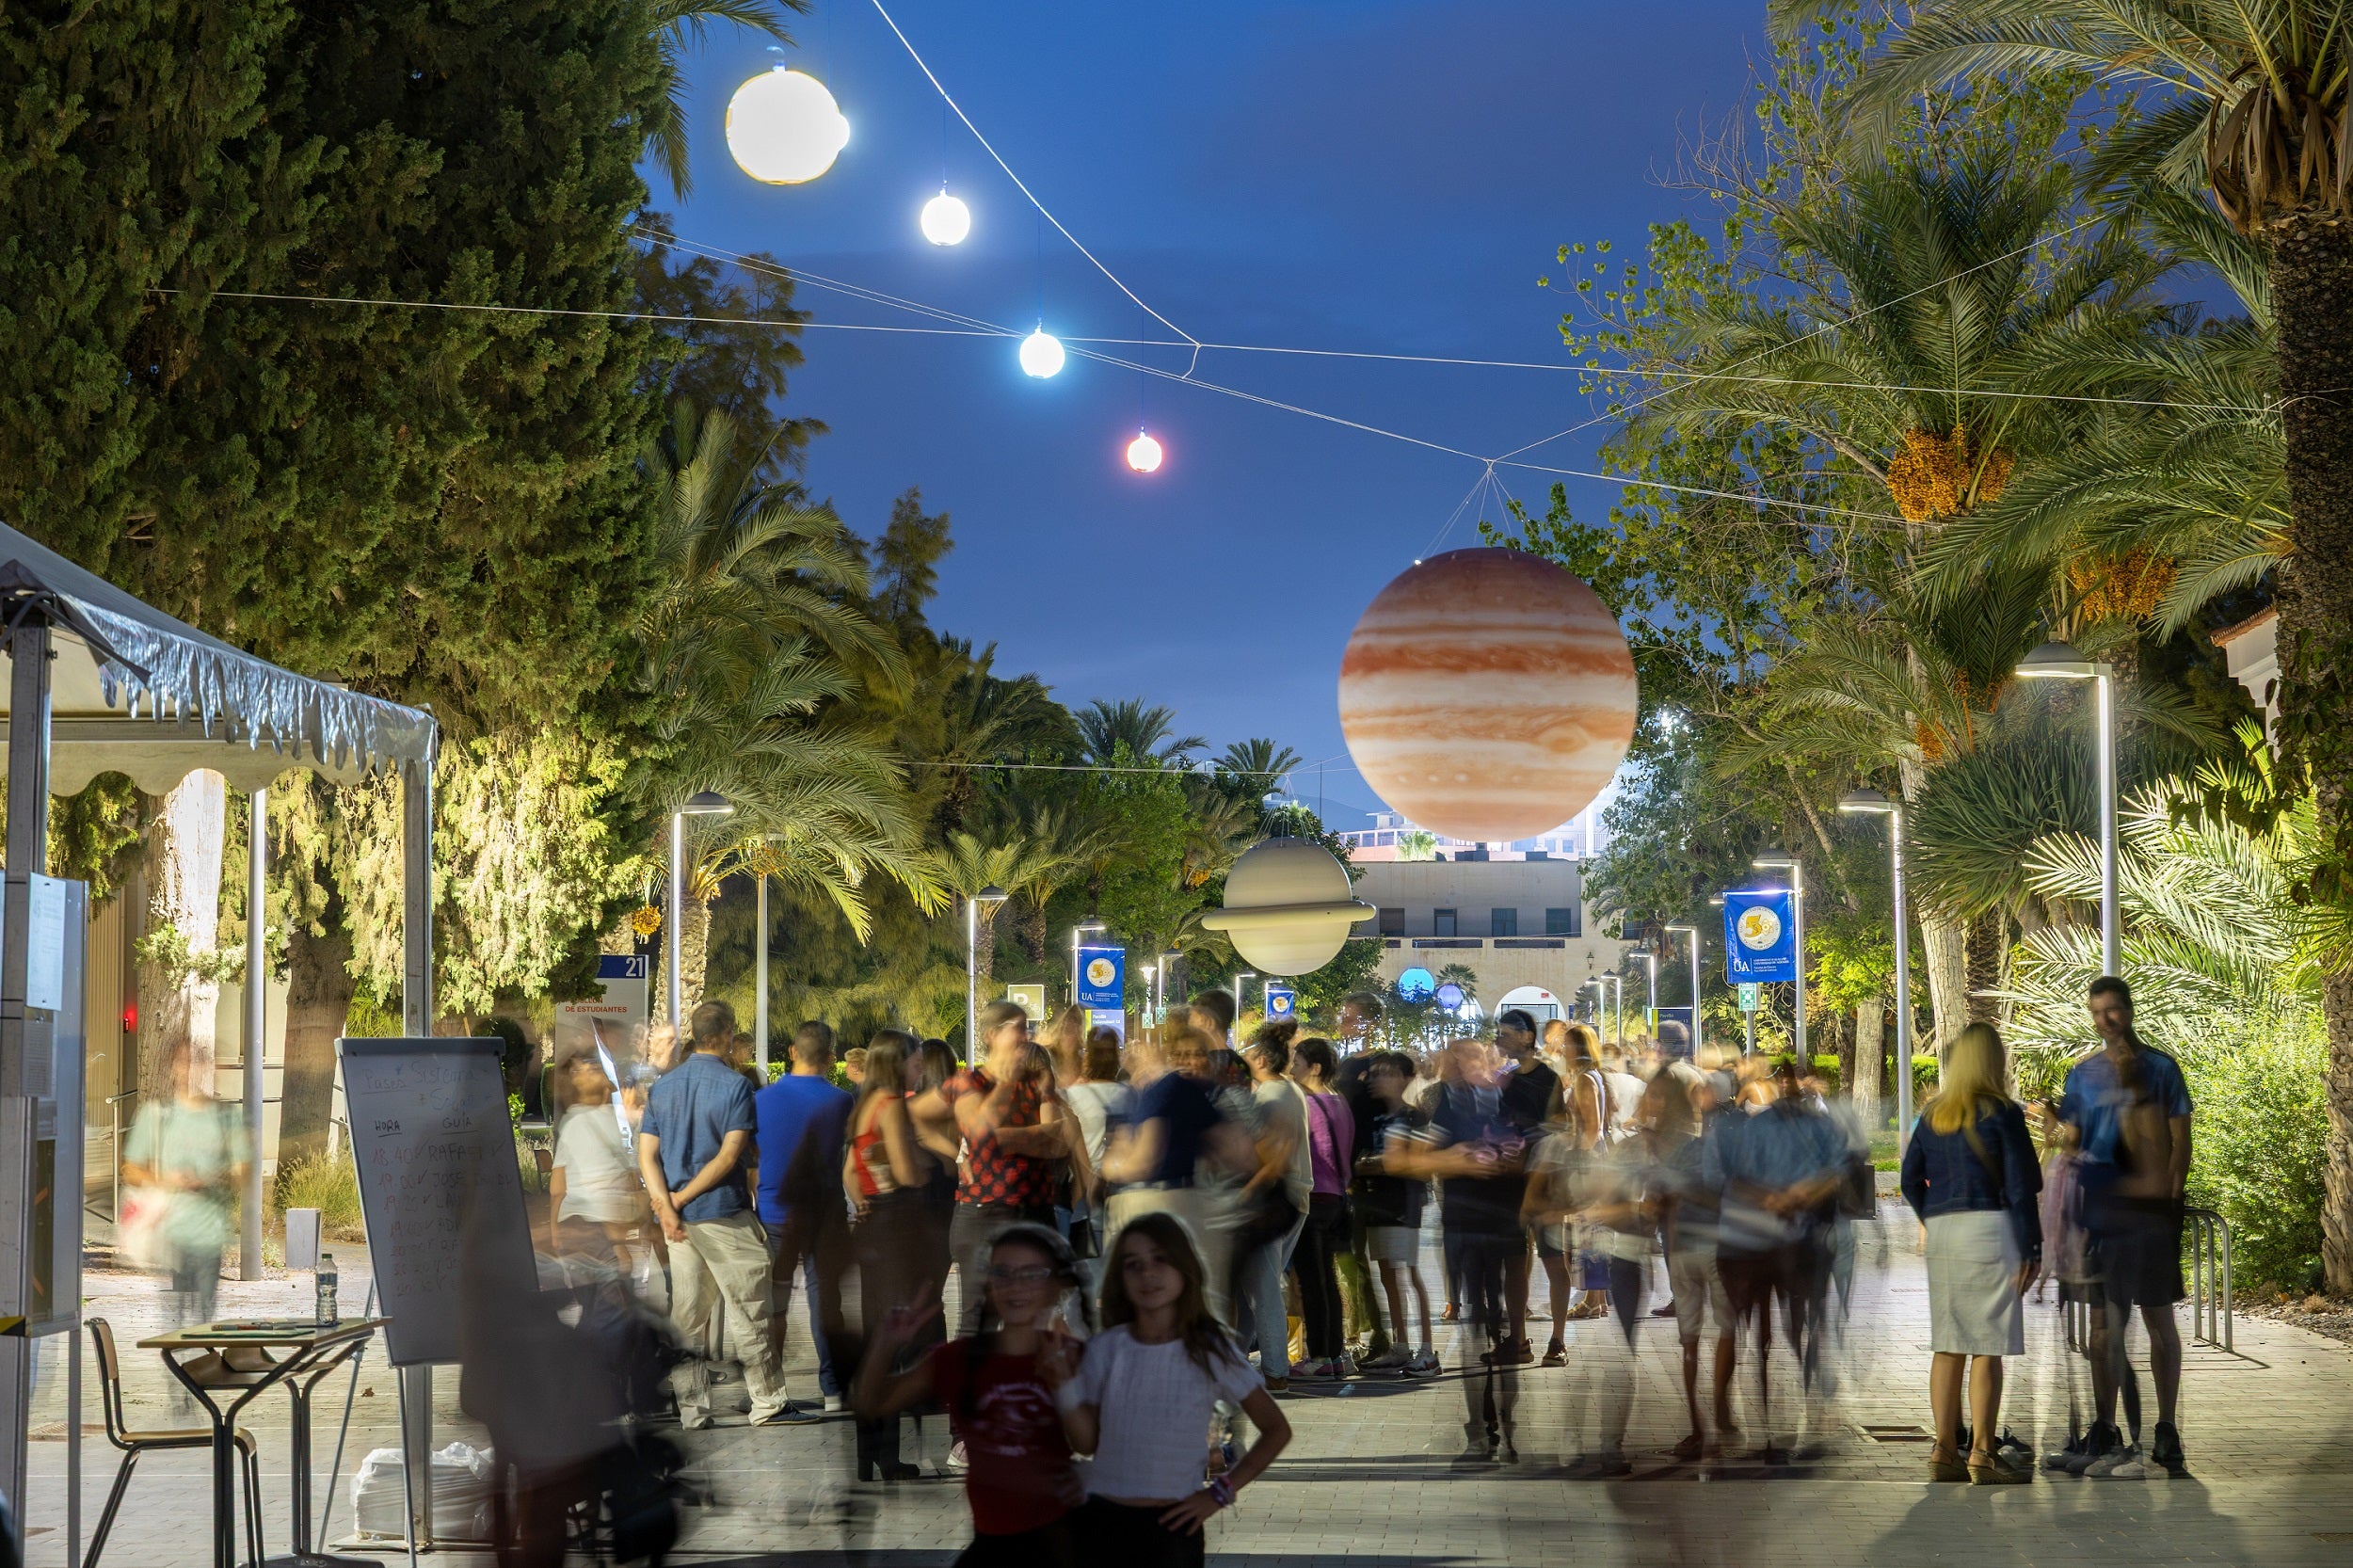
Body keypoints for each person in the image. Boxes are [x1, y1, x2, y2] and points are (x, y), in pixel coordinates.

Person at [1042, 1212, 1292, 1568]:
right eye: (1133, 1264)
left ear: (1184, 1267)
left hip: (1175, 1526)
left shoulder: (1209, 1349)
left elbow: (1276, 1429)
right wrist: (1065, 1387)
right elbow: (1087, 1443)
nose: (1148, 1273)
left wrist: (1219, 1494)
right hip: (1103, 1522)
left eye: (1161, 1259)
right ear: (1119, 1277)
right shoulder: (1106, 1349)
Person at [856, 1224, 1090, 1565]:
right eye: (1003, 1273)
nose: (1016, 1286)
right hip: (992, 1543)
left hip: (1059, 1542)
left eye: (1031, 1274)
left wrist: (1065, 1385)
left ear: (1055, 1287)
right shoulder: (960, 1359)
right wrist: (885, 1343)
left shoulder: (1070, 1357)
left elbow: (1089, 1442)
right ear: (989, 1285)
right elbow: (871, 1404)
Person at [2054, 974, 2193, 1479]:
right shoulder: (2083, 1074)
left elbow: (2182, 1143)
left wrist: (2171, 1203)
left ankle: (2167, 1429)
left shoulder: (2161, 1069)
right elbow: (2071, 1144)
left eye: (2111, 1010)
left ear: (2128, 1010)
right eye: (2095, 1012)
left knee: (2158, 1322)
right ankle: (2105, 1427)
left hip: (2151, 1216)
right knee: (2100, 1329)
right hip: (2100, 1214)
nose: (2103, 1020)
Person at [635, 1000, 798, 1428]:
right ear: (726, 1034)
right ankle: (767, 1401)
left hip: (678, 1223)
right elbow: (729, 1157)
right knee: (749, 1307)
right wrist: (682, 1199)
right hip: (723, 1214)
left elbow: (647, 1154)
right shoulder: (736, 1087)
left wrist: (666, 1205)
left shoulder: (663, 1087)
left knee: (687, 1316)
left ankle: (692, 1410)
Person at [1900, 1021, 2042, 1485]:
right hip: (1990, 1229)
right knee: (1987, 1345)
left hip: (1943, 1234)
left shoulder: (1934, 1113)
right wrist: (2032, 1247)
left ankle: (1944, 1449)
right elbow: (2022, 1187)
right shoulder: (2003, 1113)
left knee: (1949, 1342)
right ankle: (1981, 1450)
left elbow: (1907, 1179)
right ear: (1994, 1061)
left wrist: (1933, 1215)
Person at [1700, 1054, 1848, 1462]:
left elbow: (1725, 1180)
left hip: (1751, 1244)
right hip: (1789, 1242)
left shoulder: (1751, 1127)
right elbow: (1837, 1174)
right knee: (1797, 1328)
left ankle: (1748, 1417)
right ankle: (1808, 1412)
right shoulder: (1812, 1127)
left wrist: (1773, 1198)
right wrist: (1793, 1198)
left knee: (1748, 1333)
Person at [1393, 1038, 1527, 1463]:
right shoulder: (1446, 1103)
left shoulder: (1512, 1100)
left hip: (1503, 1224)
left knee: (1497, 1321)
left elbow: (1538, 1155)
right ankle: (1481, 1425)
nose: (1466, 1066)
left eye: (1473, 1057)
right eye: (1457, 1060)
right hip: (1464, 1224)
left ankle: (1504, 1418)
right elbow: (1417, 1161)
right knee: (1475, 1322)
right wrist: (1458, 1161)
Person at [923, 1001, 1073, 1336]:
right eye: (1017, 1027)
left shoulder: (1036, 1081)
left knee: (1039, 1314)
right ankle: (971, 1388)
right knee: (978, 1318)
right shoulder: (971, 1082)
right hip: (984, 1213)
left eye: (1026, 1027)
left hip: (1034, 1210)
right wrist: (957, 1155)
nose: (1026, 1034)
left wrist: (1006, 1139)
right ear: (992, 1035)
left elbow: (1059, 1141)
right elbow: (923, 1119)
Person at [843, 1031, 941, 1480]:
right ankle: (888, 1455)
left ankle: (869, 1455)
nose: (920, 1068)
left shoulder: (865, 1105)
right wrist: (928, 1166)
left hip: (874, 1225)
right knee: (900, 1336)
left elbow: (851, 1171)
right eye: (917, 1062)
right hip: (902, 1226)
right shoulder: (892, 1105)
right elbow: (905, 1171)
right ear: (898, 1062)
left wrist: (864, 1198)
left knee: (878, 1338)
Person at [1101, 1025, 1246, 1320]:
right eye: (1184, 1054)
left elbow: (1143, 1161)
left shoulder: (1162, 1091)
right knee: (1198, 1304)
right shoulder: (1196, 1093)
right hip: (1193, 1204)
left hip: (1152, 1204)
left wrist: (1111, 1165)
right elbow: (1239, 1153)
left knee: (1144, 1305)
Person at [756, 1020, 855, 1413]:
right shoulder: (841, 1101)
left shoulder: (761, 1099)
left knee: (772, 1304)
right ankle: (833, 1389)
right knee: (825, 1300)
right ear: (831, 1058)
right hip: (823, 1211)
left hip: (773, 1208)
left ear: (792, 1052)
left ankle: (769, 1390)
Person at [121, 1037, 248, 1331]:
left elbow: (244, 1170)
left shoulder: (226, 1117)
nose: (191, 1068)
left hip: (211, 1234)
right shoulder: (158, 1114)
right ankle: (181, 1371)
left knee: (204, 1320)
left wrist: (218, 1177)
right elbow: (131, 1169)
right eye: (184, 1061)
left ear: (209, 1067)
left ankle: (199, 1369)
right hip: (170, 1231)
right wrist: (169, 1180)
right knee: (176, 1324)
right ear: (173, 1068)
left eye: (198, 1061)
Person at [1235, 1027, 1310, 1388]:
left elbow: (1273, 1155)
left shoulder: (1269, 1097)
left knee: (1263, 1288)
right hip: (1296, 1195)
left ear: (1262, 1059)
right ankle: (1241, 1360)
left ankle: (1276, 1370)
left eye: (1249, 1056)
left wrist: (1247, 1192)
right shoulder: (1290, 1090)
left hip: (1276, 1198)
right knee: (1254, 1286)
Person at [1357, 1050, 1439, 1373]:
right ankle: (1401, 1344)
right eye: (1375, 1073)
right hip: (1376, 1202)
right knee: (1388, 1275)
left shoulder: (1413, 1117)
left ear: (1405, 1078)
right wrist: (1376, 1165)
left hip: (1404, 1202)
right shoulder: (1374, 1115)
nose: (1378, 1079)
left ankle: (1428, 1349)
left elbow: (1408, 1162)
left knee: (1411, 1274)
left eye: (1387, 1073)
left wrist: (1373, 1164)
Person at [1286, 1037, 1357, 1379]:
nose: (1292, 1068)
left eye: (1297, 1062)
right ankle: (1334, 1354)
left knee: (1312, 1283)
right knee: (1326, 1279)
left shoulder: (1306, 1104)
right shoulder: (1339, 1101)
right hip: (1337, 1199)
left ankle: (1319, 1357)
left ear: (1314, 1067)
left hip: (1313, 1198)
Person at [546, 1049, 643, 1268]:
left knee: (612, 1282)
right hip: (593, 1224)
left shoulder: (574, 1122)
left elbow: (557, 1189)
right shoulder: (595, 1121)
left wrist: (554, 1230)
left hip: (584, 1223)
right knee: (616, 1278)